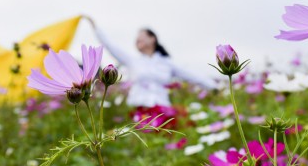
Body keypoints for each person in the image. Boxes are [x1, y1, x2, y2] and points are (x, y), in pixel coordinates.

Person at [84, 16, 217, 108]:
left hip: (161, 108)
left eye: (141, 37)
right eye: (136, 39)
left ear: (152, 39)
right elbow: (110, 45)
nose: (137, 40)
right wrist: (95, 27)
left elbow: (191, 75)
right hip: (138, 107)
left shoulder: (166, 62)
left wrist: (214, 87)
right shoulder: (133, 61)